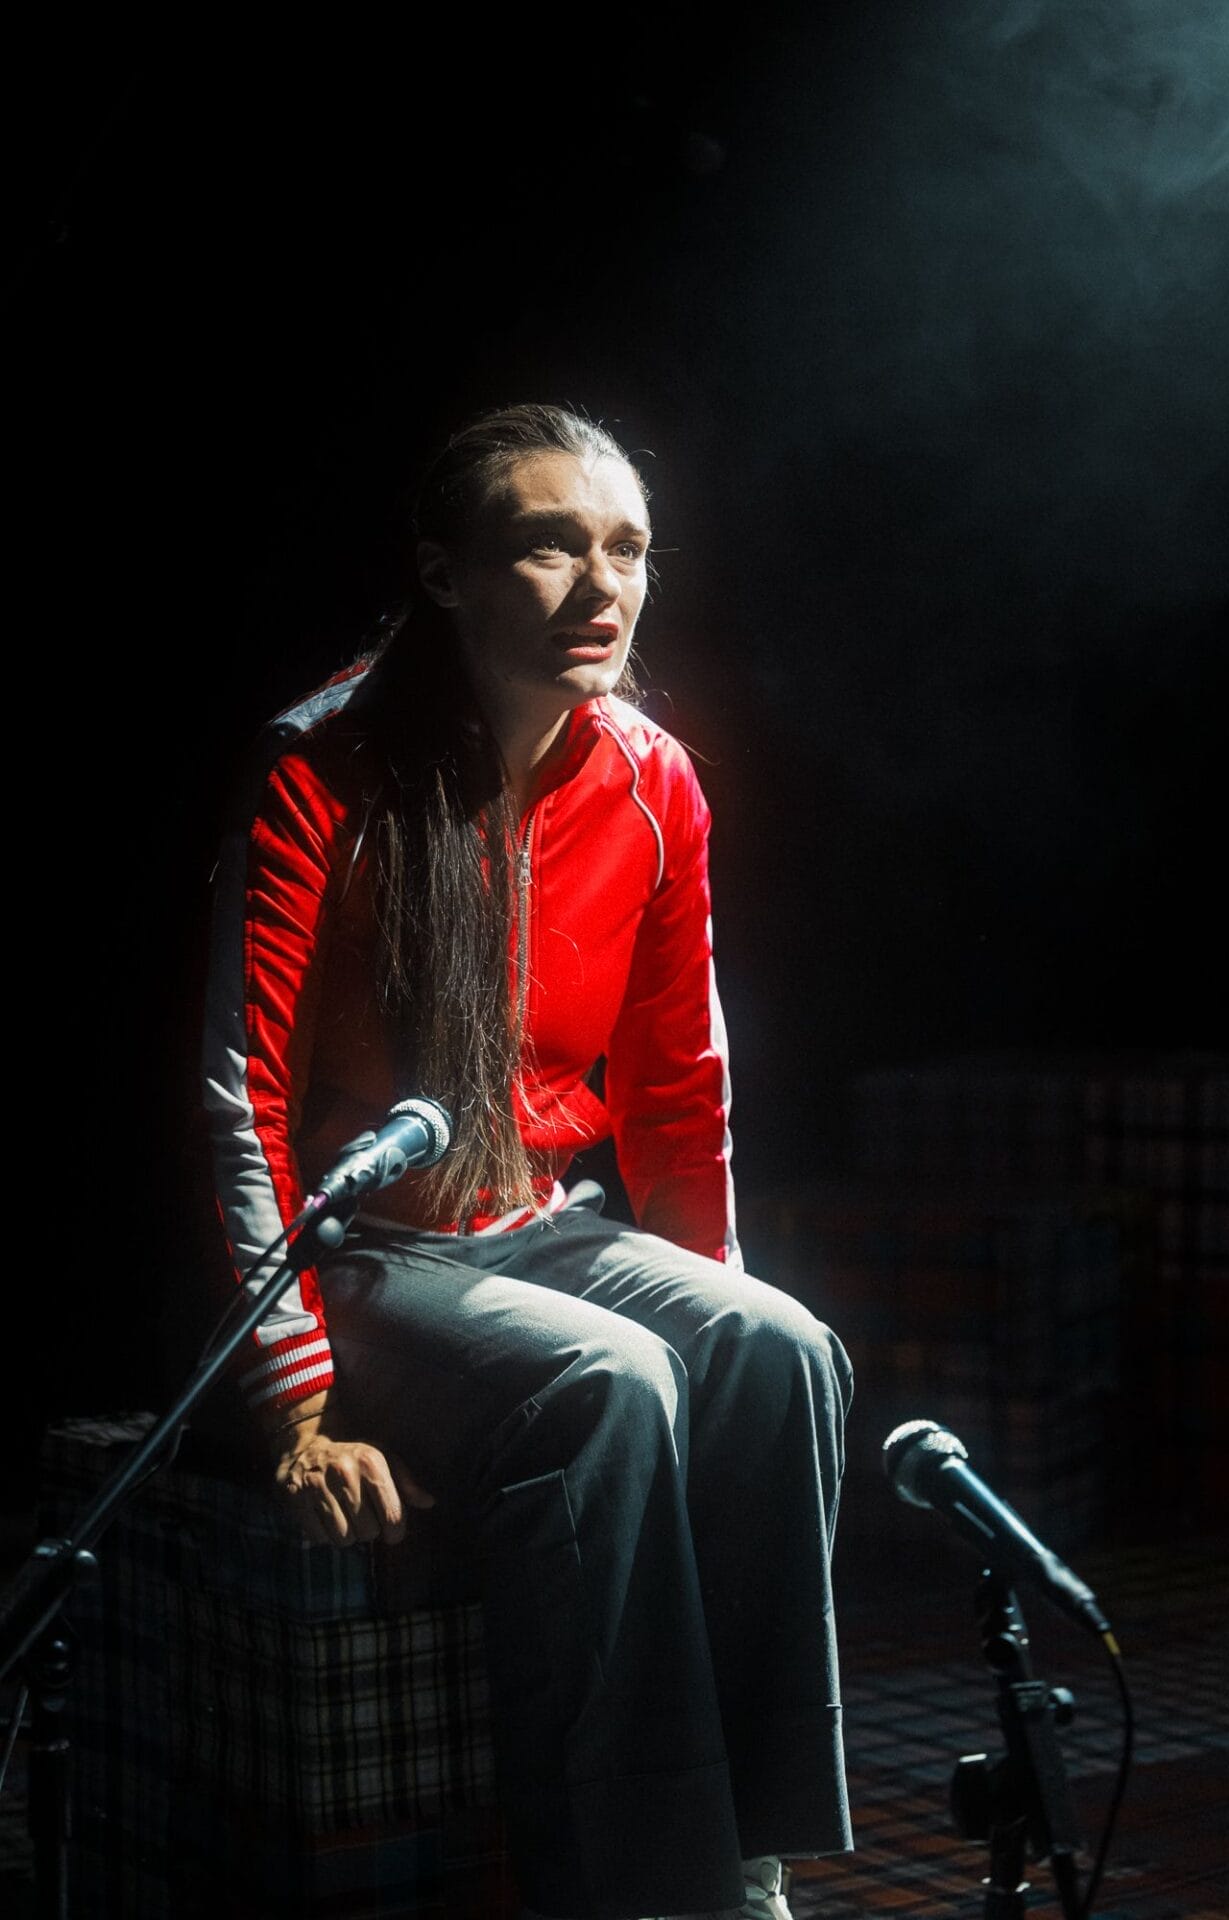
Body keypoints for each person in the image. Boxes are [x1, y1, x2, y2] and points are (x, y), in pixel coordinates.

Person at [198, 401, 855, 1920]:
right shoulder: (322, 770)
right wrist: (292, 1406)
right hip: (355, 1250)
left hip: (532, 1223)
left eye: (624, 547)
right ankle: (632, 1892)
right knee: (607, 1381)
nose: (600, 585)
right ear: (443, 573)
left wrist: (712, 1296)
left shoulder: (651, 779)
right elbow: (235, 1096)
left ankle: (746, 1870)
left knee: (778, 1350)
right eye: (549, 544)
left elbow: (680, 1086)